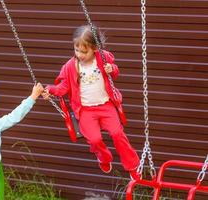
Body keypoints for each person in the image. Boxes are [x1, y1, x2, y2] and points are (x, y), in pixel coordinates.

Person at [43, 25, 140, 179]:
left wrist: (111, 69)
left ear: (95, 48)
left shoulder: (103, 57)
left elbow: (114, 72)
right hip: (86, 110)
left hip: (106, 105)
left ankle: (133, 166)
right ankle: (104, 157)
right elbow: (64, 87)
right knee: (94, 139)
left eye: (84, 51)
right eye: (77, 50)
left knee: (117, 133)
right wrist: (49, 90)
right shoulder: (70, 67)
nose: (80, 54)